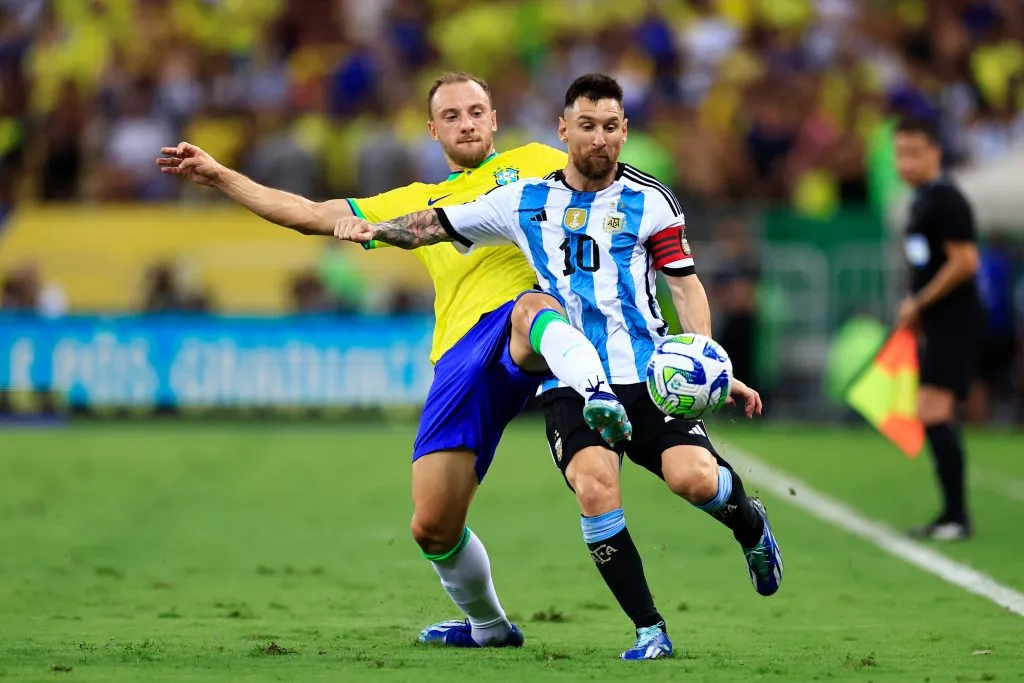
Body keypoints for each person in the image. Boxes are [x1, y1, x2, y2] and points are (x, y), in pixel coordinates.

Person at [156, 71, 632, 650]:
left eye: (476, 111)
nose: (467, 123)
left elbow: (612, 176)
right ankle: (488, 627)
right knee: (432, 527)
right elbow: (307, 211)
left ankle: (595, 386)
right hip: (461, 356)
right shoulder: (416, 202)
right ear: (432, 130)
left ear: (495, 118)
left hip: (529, 323)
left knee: (530, 308)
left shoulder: (538, 161)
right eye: (451, 116)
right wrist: (220, 176)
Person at [333, 73, 783, 661]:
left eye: (612, 127)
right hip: (571, 379)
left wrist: (707, 360)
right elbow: (435, 224)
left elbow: (685, 285)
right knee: (596, 490)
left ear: (625, 131)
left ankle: (750, 525)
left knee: (694, 480)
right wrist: (376, 231)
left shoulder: (651, 200)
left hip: (648, 373)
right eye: (589, 127)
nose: (601, 139)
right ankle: (650, 630)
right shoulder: (525, 199)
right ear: (563, 130)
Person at [893, 116, 984, 541]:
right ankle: (951, 514)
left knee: (934, 409)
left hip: (955, 321)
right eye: (899, 153)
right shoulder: (922, 200)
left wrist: (920, 301)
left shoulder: (946, 200)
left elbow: (965, 261)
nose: (905, 162)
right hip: (938, 323)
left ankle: (956, 517)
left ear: (936, 153)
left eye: (914, 152)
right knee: (932, 410)